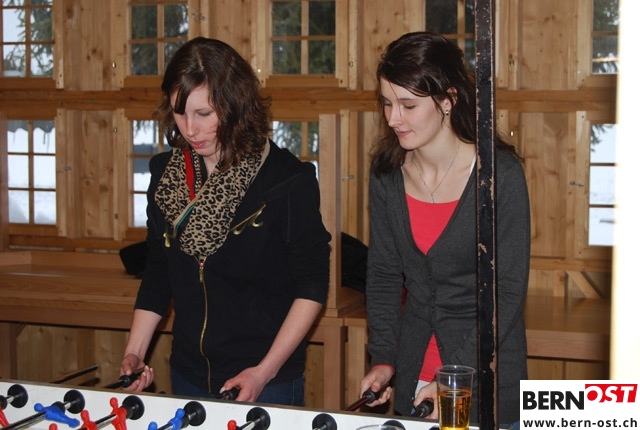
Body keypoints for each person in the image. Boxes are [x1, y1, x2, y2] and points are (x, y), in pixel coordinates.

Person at [119, 37, 331, 407]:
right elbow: (158, 273)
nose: (190, 129)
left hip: (267, 378)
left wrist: (263, 372)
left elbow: (312, 286)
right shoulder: (165, 175)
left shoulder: (285, 180)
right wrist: (135, 352)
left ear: (235, 104)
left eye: (204, 114)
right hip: (187, 372)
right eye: (180, 113)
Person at [359, 31, 530, 426]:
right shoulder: (387, 175)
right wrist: (383, 358)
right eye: (387, 103)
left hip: (488, 382)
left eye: (408, 105)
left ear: (448, 100)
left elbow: (506, 293)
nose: (393, 118)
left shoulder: (499, 176)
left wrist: (452, 379)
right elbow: (384, 274)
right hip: (416, 375)